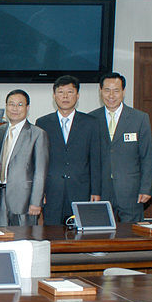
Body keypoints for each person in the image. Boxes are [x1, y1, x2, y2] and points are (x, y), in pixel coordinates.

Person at [35, 75, 101, 226]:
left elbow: (95, 159)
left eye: (70, 92)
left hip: (81, 189)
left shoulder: (90, 123)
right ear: (54, 96)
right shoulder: (43, 122)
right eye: (60, 92)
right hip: (52, 189)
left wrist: (95, 191)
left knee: (80, 232)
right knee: (51, 232)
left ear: (77, 96)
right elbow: (40, 161)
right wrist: (40, 190)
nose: (65, 96)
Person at [89, 72, 152, 222]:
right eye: (107, 90)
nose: (111, 95)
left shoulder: (140, 118)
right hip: (101, 191)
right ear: (100, 91)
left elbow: (147, 156)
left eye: (116, 90)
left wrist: (146, 187)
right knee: (100, 237)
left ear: (124, 92)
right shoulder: (91, 119)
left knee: (132, 237)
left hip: (130, 190)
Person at [0, 89, 49, 227]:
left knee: (24, 242)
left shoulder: (37, 134)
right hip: (0, 198)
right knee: (1, 241)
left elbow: (40, 171)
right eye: (11, 104)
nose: (15, 108)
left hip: (24, 201)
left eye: (20, 105)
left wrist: (36, 202)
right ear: (6, 106)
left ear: (27, 108)